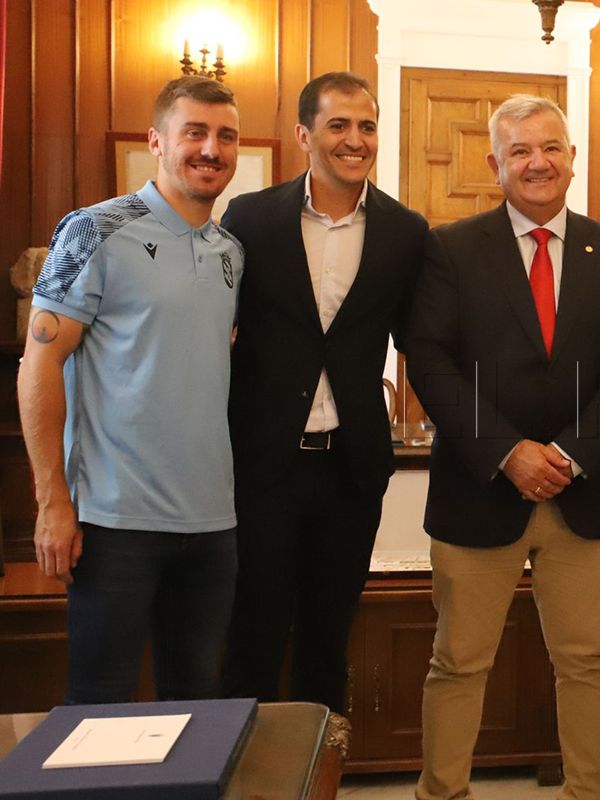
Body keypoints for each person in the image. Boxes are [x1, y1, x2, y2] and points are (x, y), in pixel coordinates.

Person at [403, 94, 600, 800]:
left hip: (587, 494)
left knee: (587, 661)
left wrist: (572, 454)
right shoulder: (450, 248)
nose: (537, 162)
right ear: (495, 163)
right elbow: (429, 361)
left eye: (550, 147)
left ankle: (591, 790)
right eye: (519, 151)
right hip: (478, 490)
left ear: (572, 156)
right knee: (457, 662)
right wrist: (507, 451)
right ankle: (442, 793)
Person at [18, 76, 242, 703]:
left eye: (225, 136)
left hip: (211, 522)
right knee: (100, 705)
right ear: (157, 141)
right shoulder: (95, 230)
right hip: (113, 521)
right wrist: (52, 501)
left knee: (196, 704)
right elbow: (38, 365)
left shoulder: (231, 251)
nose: (210, 149)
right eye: (193, 132)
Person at [219, 72, 431, 712]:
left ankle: (319, 779)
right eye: (339, 125)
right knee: (251, 640)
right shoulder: (249, 219)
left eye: (366, 126)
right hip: (259, 470)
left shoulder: (405, 230)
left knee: (326, 643)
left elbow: (421, 344)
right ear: (304, 135)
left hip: (351, 470)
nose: (355, 139)